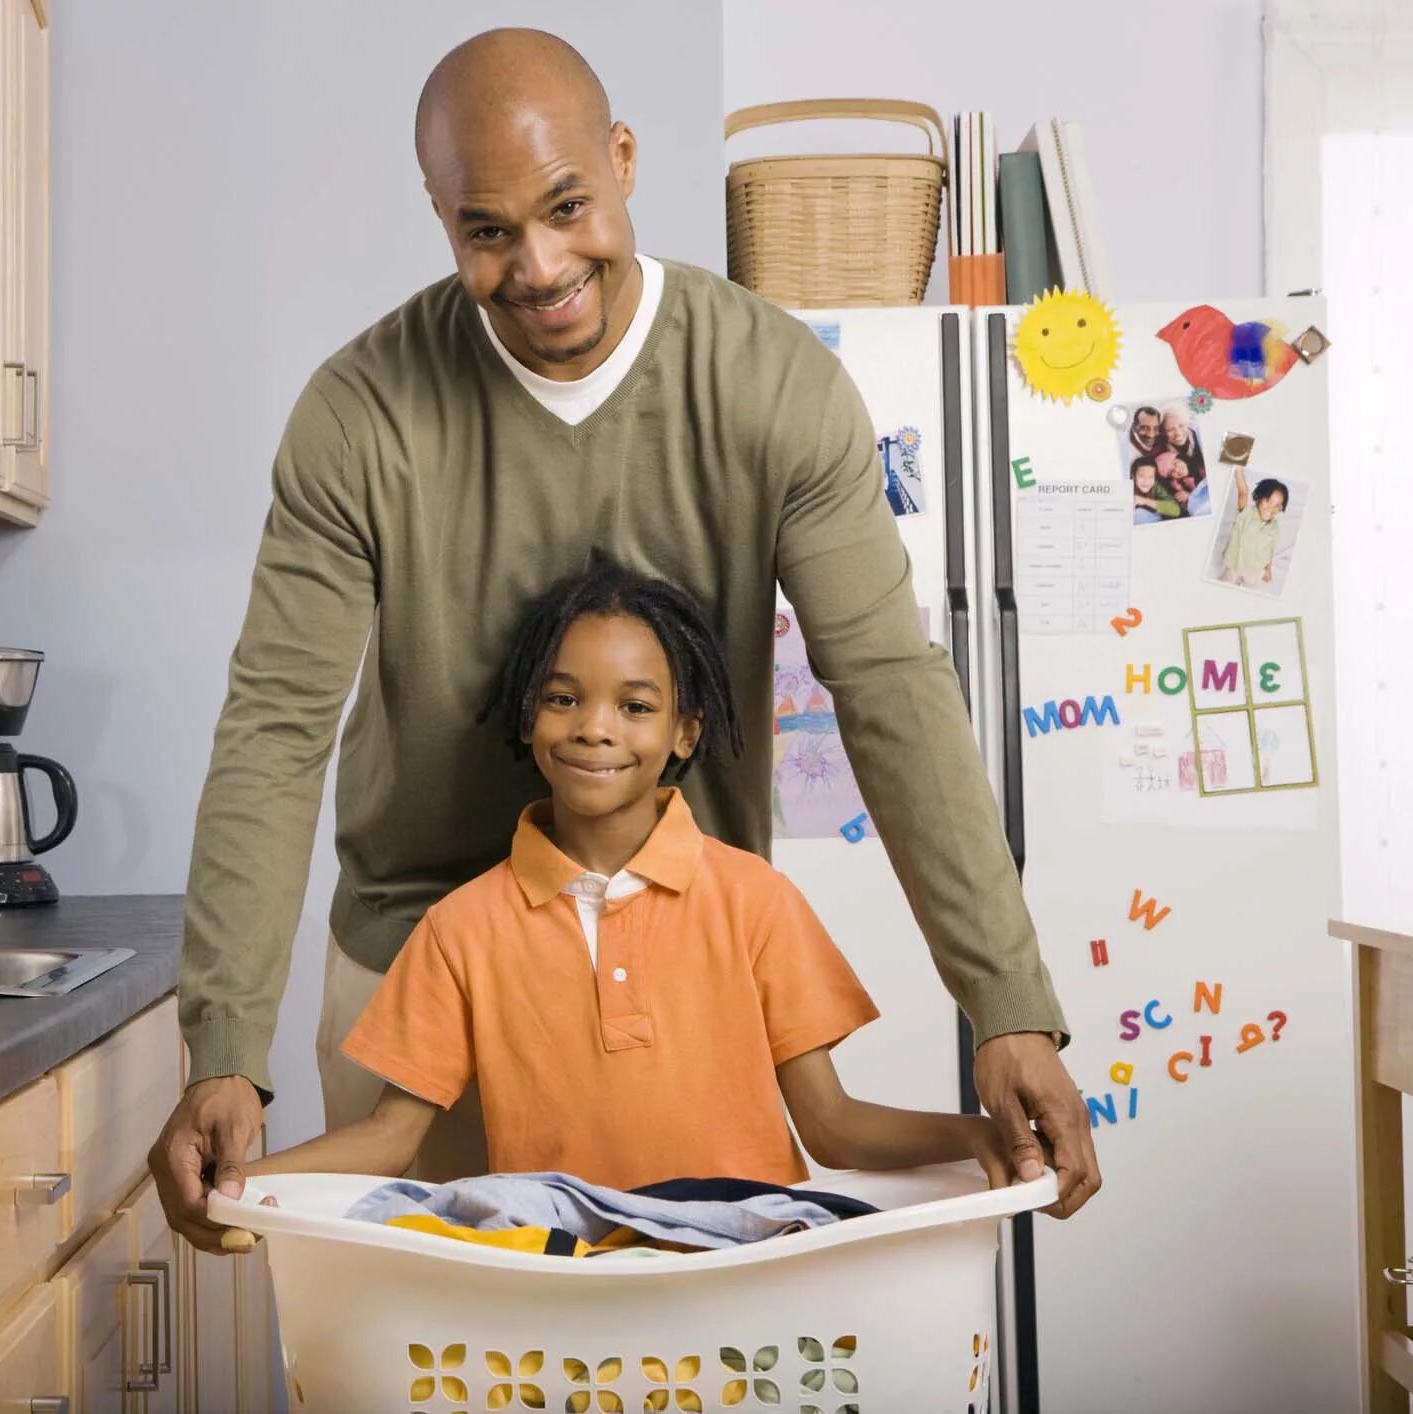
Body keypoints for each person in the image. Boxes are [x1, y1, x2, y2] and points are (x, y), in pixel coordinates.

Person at [153, 27, 1098, 1256]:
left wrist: (1007, 1007)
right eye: (487, 230)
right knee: (439, 1370)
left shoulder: (771, 385)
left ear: (626, 160)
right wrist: (227, 1049)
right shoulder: (360, 415)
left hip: (682, 973)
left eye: (566, 207)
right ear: (439, 217)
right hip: (422, 966)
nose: (539, 264)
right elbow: (275, 729)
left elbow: (889, 688)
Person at [247, 564, 1009, 1192]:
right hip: (570, 1313)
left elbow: (831, 1126)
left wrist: (981, 1134)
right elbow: (388, 1138)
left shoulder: (755, 902)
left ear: (686, 730)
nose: (595, 727)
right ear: (526, 716)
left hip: (751, 1293)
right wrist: (237, 1185)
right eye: (562, 698)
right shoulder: (460, 929)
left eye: (635, 705)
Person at [1219, 468, 1289, 587]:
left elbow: (1270, 550)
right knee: (1223, 585)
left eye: (1277, 506)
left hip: (1255, 570)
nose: (1271, 508)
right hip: (1235, 564)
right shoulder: (1246, 514)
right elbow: (1243, 492)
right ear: (1259, 498)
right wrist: (1238, 468)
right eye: (1268, 500)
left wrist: (1268, 569)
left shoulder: (1275, 527)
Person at [1160, 406, 1208, 504]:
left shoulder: (1201, 437)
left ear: (1187, 424)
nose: (1178, 433)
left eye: (1181, 426)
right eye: (1170, 430)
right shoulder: (1166, 455)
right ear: (1163, 432)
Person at [1130, 456, 1182, 523]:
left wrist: (1144, 501)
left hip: (1156, 519)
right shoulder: (1129, 487)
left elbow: (1176, 510)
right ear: (1133, 476)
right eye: (1142, 476)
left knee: (1139, 514)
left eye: (1151, 477)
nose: (1146, 481)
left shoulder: (1156, 487)